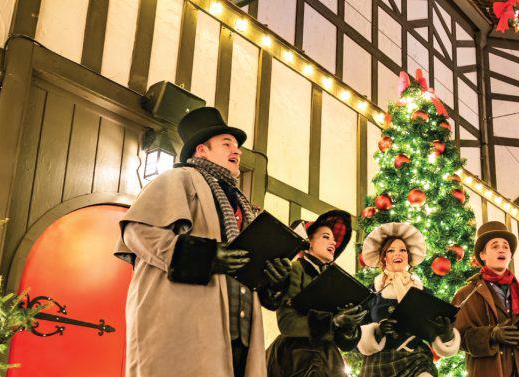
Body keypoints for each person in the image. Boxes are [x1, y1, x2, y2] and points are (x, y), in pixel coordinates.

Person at [115, 107, 292, 377]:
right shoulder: (178, 178)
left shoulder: (241, 203)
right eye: (227, 143)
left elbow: (245, 262)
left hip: (238, 336)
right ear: (201, 150)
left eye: (237, 146)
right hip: (188, 325)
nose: (238, 151)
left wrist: (273, 280)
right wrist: (205, 256)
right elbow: (138, 230)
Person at [266, 209, 368, 376]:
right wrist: (332, 322)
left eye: (335, 240)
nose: (333, 243)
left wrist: (348, 326)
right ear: (309, 242)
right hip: (298, 358)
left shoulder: (336, 280)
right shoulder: (296, 269)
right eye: (326, 237)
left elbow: (345, 344)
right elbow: (287, 323)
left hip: (329, 361)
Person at [451, 221, 519, 377]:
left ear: (510, 255)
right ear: (482, 255)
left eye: (505, 246)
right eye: (494, 246)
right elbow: (456, 338)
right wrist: (491, 335)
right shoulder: (467, 294)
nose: (501, 249)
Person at [356, 223, 460, 376]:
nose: (398, 254)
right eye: (391, 251)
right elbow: (355, 334)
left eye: (402, 250)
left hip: (417, 360)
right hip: (380, 362)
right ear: (384, 258)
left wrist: (445, 333)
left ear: (408, 256)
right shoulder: (372, 292)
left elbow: (434, 332)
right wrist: (377, 332)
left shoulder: (423, 292)